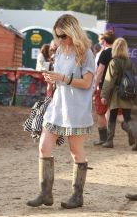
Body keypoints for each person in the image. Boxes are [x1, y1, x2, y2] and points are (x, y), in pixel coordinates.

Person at [26, 14, 95, 209]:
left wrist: (63, 78)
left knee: (76, 151)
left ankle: (77, 196)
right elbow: (60, 79)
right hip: (57, 106)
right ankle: (45, 193)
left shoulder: (85, 52)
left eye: (64, 35)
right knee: (43, 147)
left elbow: (87, 83)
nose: (61, 39)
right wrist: (52, 79)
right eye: (58, 36)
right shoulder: (59, 51)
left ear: (73, 32)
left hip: (76, 110)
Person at [100, 37, 137, 150]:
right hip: (127, 93)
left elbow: (109, 81)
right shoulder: (129, 62)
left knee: (112, 117)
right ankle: (133, 135)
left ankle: (109, 141)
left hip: (116, 93)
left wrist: (104, 95)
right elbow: (133, 75)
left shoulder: (113, 62)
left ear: (115, 48)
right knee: (127, 117)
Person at [93, 30, 115, 146]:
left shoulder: (105, 53)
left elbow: (100, 71)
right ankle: (110, 139)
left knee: (101, 112)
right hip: (116, 88)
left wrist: (95, 86)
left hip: (103, 87)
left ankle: (103, 139)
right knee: (114, 113)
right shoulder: (119, 53)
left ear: (105, 42)